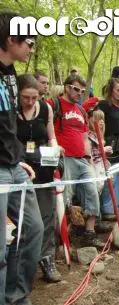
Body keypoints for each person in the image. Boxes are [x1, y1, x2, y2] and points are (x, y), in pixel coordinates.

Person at [0, 11, 48, 305]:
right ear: (10, 39)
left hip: (14, 166)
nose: (31, 47)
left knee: (33, 228)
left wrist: (18, 157)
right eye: (28, 41)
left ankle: (16, 299)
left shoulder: (12, 75)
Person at [47, 74, 103, 248]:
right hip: (65, 158)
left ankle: (90, 233)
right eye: (76, 89)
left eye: (82, 91)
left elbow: (85, 136)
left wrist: (89, 158)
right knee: (65, 197)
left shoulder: (81, 111)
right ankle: (59, 237)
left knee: (92, 191)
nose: (79, 93)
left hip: (82, 159)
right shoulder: (53, 104)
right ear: (67, 87)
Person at [16, 74, 61, 283]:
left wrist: (55, 148)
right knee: (22, 219)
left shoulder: (45, 108)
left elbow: (51, 135)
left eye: (34, 97)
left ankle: (46, 258)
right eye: (26, 97)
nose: (30, 102)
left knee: (47, 215)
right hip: (19, 167)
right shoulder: (10, 111)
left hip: (43, 166)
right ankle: (22, 262)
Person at [96, 78, 119, 219]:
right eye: (118, 90)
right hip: (110, 144)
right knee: (111, 178)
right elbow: (98, 124)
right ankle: (108, 209)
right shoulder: (103, 105)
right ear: (111, 90)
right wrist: (101, 142)